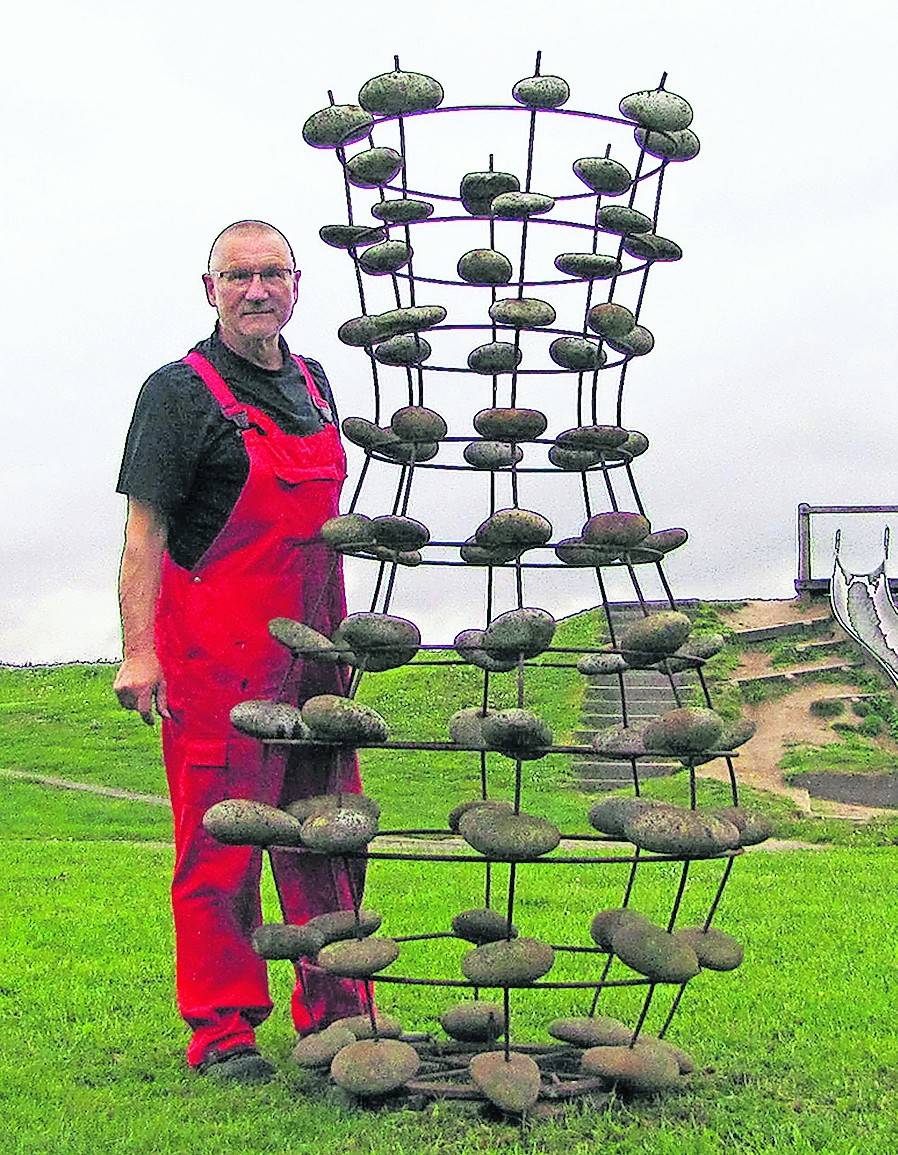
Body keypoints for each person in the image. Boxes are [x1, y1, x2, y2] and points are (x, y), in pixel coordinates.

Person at [114, 220, 368, 1084]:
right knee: (219, 847)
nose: (255, 290)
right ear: (209, 288)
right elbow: (145, 532)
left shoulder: (317, 381)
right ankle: (222, 1029)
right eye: (237, 277)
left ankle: (339, 1009)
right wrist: (138, 652)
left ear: (296, 283)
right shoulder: (177, 392)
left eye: (271, 274)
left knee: (328, 836)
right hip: (218, 659)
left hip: (317, 652)